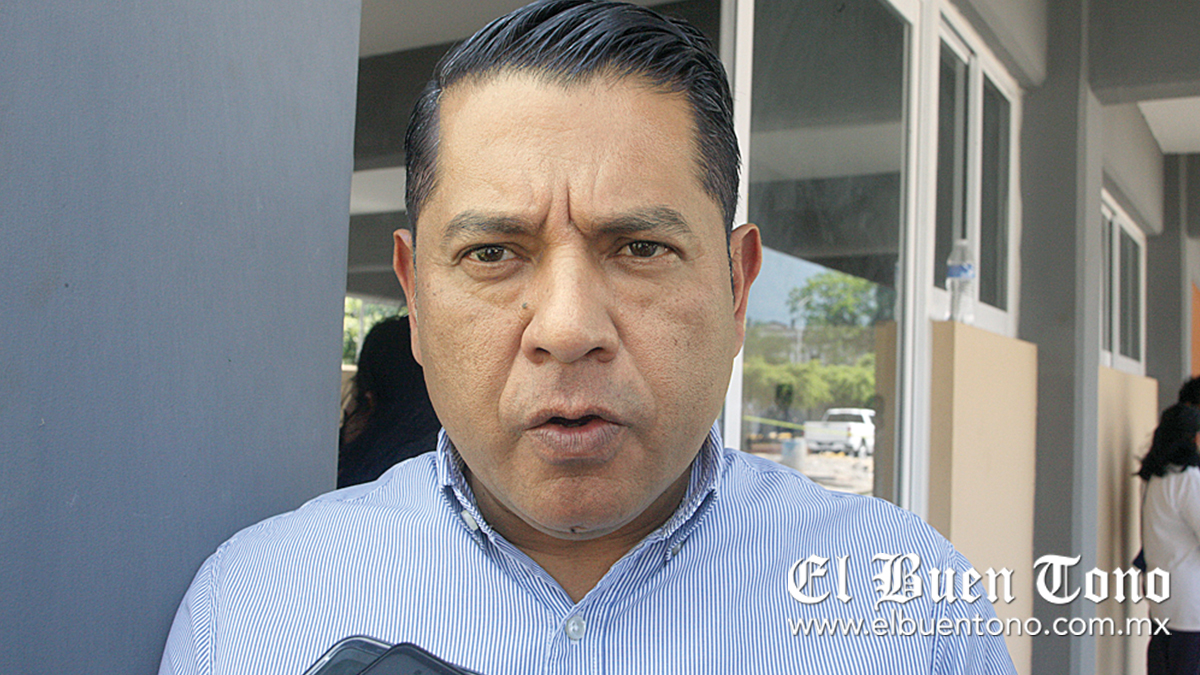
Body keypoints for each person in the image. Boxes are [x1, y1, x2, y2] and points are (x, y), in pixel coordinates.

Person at [159, 2, 1016, 673]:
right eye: (492, 253)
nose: (568, 329)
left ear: (737, 286)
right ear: (415, 296)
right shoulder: (253, 609)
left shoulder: (911, 614)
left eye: (640, 248)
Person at [338, 315, 441, 488]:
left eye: (355, 394)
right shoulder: (461, 468)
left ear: (369, 399)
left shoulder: (359, 483)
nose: (347, 408)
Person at [1138, 402, 1200, 675]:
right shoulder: (1188, 479)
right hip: (1190, 605)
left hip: (1161, 599)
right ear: (1193, 438)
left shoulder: (1153, 479)